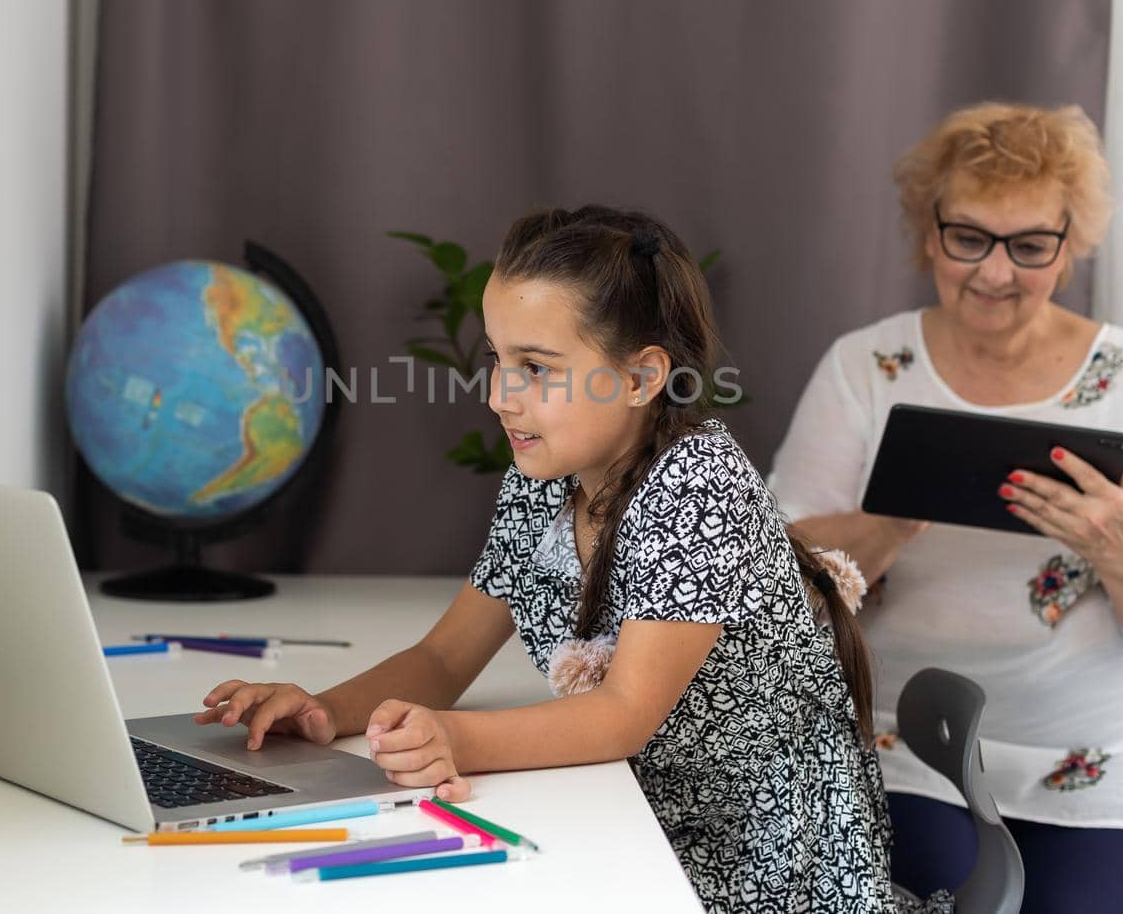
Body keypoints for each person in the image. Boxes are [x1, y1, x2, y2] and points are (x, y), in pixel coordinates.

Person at [194, 206, 915, 911]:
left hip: (762, 862)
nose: (500, 395)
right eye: (497, 358)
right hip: (635, 813)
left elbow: (622, 714)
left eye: (536, 368)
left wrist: (453, 737)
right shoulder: (544, 479)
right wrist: (324, 711)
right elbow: (445, 657)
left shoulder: (701, 486)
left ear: (640, 377)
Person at [770, 103, 1123, 913]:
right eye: (968, 237)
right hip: (904, 752)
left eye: (1029, 245)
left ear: (1069, 240)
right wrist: (890, 521)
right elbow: (777, 585)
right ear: (929, 228)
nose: (994, 271)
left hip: (1098, 763)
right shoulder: (867, 366)